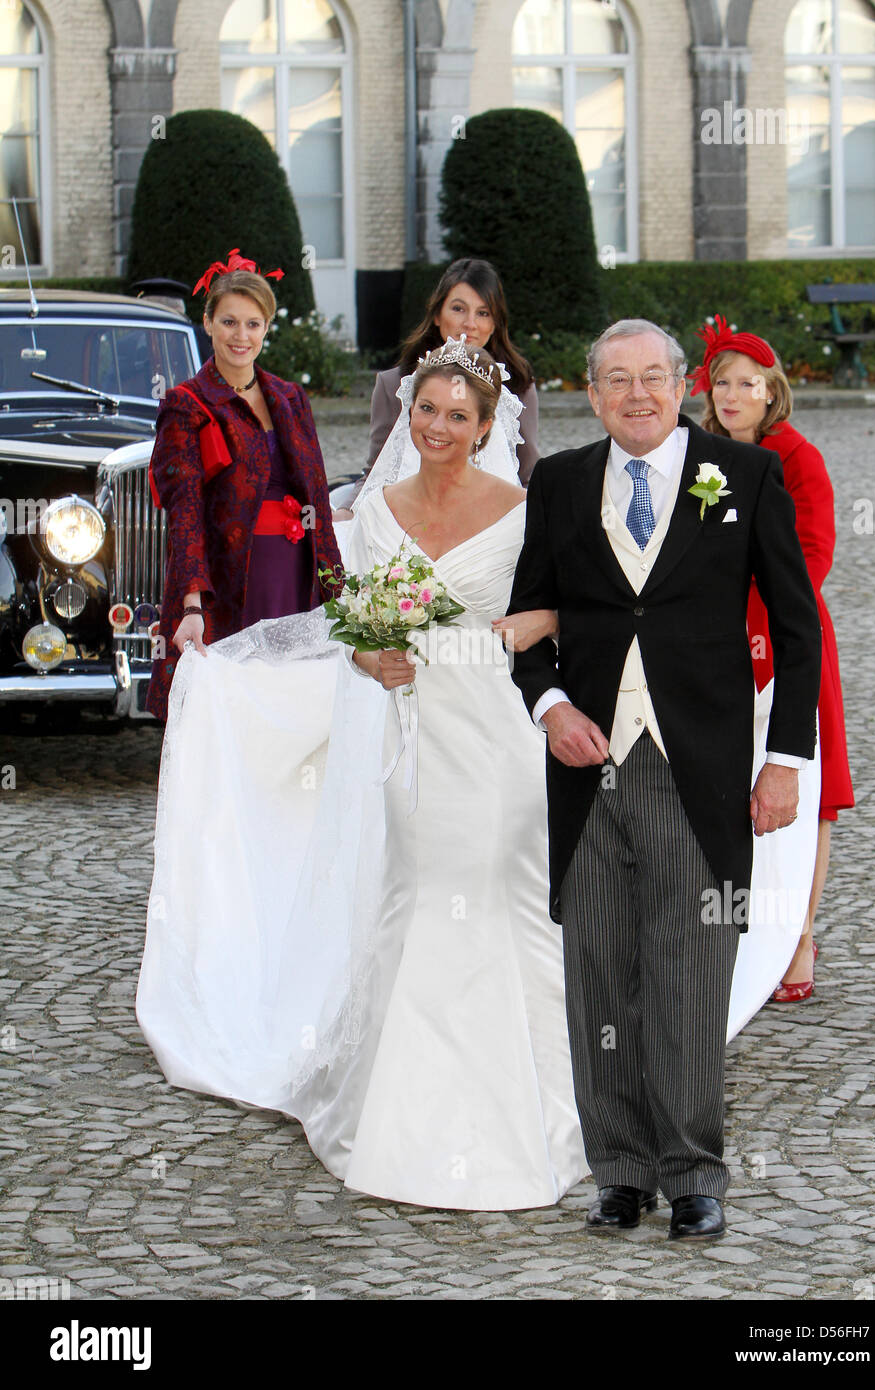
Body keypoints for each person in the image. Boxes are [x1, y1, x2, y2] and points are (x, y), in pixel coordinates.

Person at [137, 338, 588, 1211]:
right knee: (413, 885)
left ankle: (543, 1109)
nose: (440, 427)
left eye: (460, 415)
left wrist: (520, 632)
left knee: (498, 885)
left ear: (489, 425)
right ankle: (396, 1108)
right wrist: (368, 647)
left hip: (493, 731)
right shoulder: (373, 510)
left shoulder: (526, 509)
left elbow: (560, 603)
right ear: (406, 412)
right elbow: (348, 617)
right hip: (407, 734)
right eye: (427, 410)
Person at [506, 318, 822, 1240]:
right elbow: (530, 629)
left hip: (704, 767)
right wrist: (551, 709)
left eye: (654, 377)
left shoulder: (747, 476)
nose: (637, 395)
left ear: (683, 383)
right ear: (591, 393)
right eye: (617, 380)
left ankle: (693, 1173)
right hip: (590, 768)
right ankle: (618, 1170)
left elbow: (799, 631)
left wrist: (785, 761)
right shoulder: (560, 485)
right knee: (599, 970)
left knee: (689, 969)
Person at [692, 315, 854, 1002]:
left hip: (787, 635)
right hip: (719, 636)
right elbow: (698, 541)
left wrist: (760, 611)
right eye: (720, 383)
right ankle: (731, 933)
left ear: (770, 389)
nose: (732, 395)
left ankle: (801, 936)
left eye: (745, 383)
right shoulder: (702, 456)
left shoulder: (797, 455)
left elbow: (812, 554)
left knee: (809, 789)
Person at [146, 249, 342, 721]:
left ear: (267, 328)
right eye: (230, 322)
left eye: (253, 324)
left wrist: (338, 590)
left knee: (292, 704)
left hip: (294, 575)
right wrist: (192, 604)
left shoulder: (291, 397)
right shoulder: (186, 403)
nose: (241, 336)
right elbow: (185, 508)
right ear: (208, 322)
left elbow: (317, 497)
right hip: (233, 578)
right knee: (236, 708)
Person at [335, 257, 539, 517]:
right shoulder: (394, 384)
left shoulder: (518, 386)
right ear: (437, 315)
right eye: (458, 309)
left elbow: (528, 474)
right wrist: (346, 512)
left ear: (495, 323)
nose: (470, 323)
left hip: (493, 519)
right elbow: (378, 469)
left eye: (483, 313)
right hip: (410, 519)